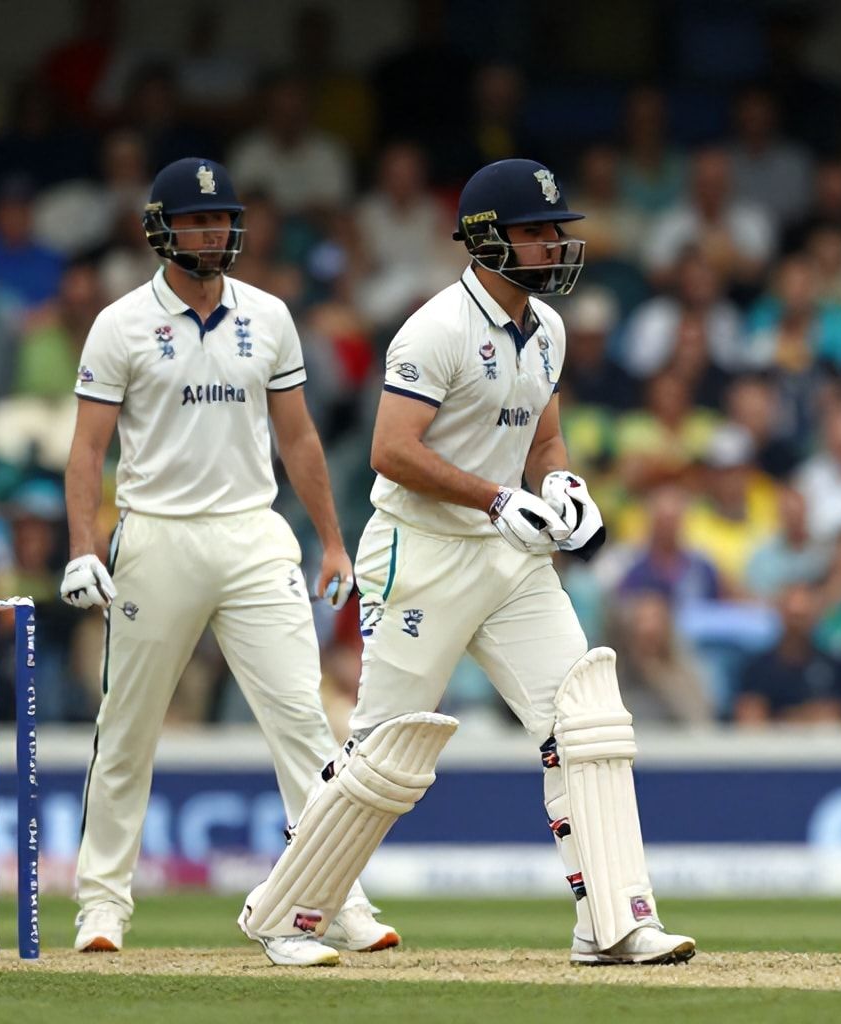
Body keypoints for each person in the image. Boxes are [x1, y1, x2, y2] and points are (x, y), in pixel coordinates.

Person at [236, 158, 695, 968]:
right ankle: (285, 914)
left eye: (557, 232)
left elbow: (544, 439)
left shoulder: (546, 328)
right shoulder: (436, 329)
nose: (554, 246)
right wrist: (492, 496)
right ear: (487, 241)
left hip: (510, 554)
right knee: (389, 748)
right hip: (420, 553)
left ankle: (616, 921)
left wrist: (560, 485)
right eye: (536, 233)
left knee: (585, 718)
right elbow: (389, 451)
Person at [60, 159, 394, 956]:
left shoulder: (270, 316)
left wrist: (333, 540)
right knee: (128, 730)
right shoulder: (120, 324)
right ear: (161, 231)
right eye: (201, 221)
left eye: (224, 220)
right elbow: (87, 449)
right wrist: (82, 549)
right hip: (158, 535)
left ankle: (335, 897)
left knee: (304, 725)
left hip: (253, 532)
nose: (217, 233)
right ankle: (102, 906)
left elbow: (300, 437)